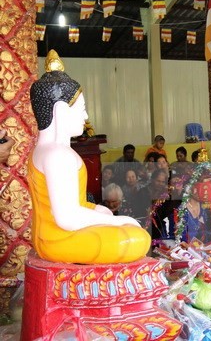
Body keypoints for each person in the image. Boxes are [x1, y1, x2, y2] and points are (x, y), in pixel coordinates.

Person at [27, 50, 149, 264]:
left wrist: (98, 210)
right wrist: (121, 220)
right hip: (59, 239)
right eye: (82, 109)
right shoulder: (57, 155)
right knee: (137, 239)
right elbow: (67, 217)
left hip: (51, 236)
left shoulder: (46, 151)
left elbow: (76, 204)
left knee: (119, 225)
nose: (85, 116)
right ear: (61, 111)